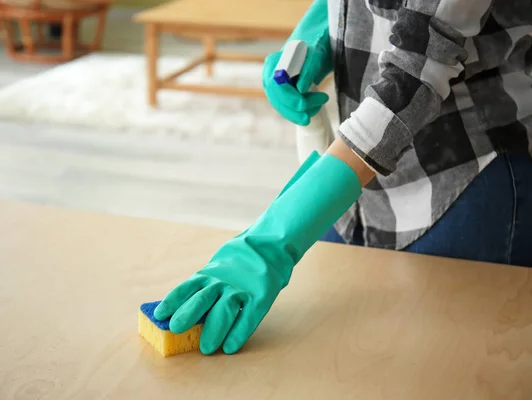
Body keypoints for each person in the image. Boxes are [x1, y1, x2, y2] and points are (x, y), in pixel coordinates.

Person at [152, 0, 532, 355]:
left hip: (468, 181)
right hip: (360, 186)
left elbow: (414, 78)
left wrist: (269, 243)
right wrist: (313, 37)